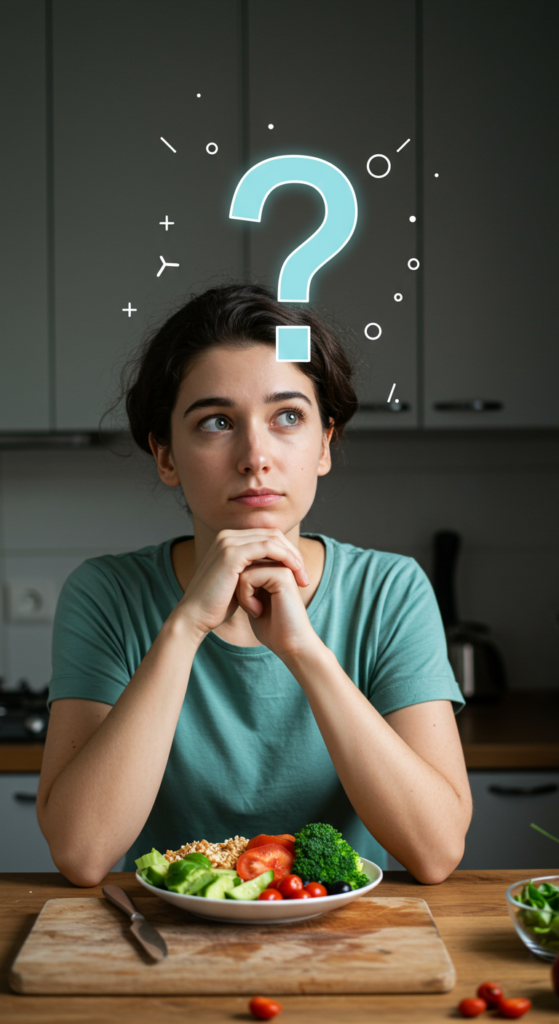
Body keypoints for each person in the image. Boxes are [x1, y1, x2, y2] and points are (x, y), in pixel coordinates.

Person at [37, 283, 472, 887]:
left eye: (287, 416)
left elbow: (436, 850)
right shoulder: (107, 593)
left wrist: (304, 650)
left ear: (325, 442)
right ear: (165, 455)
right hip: (170, 941)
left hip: (344, 942)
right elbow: (82, 854)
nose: (255, 456)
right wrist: (186, 626)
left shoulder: (390, 590)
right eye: (216, 421)